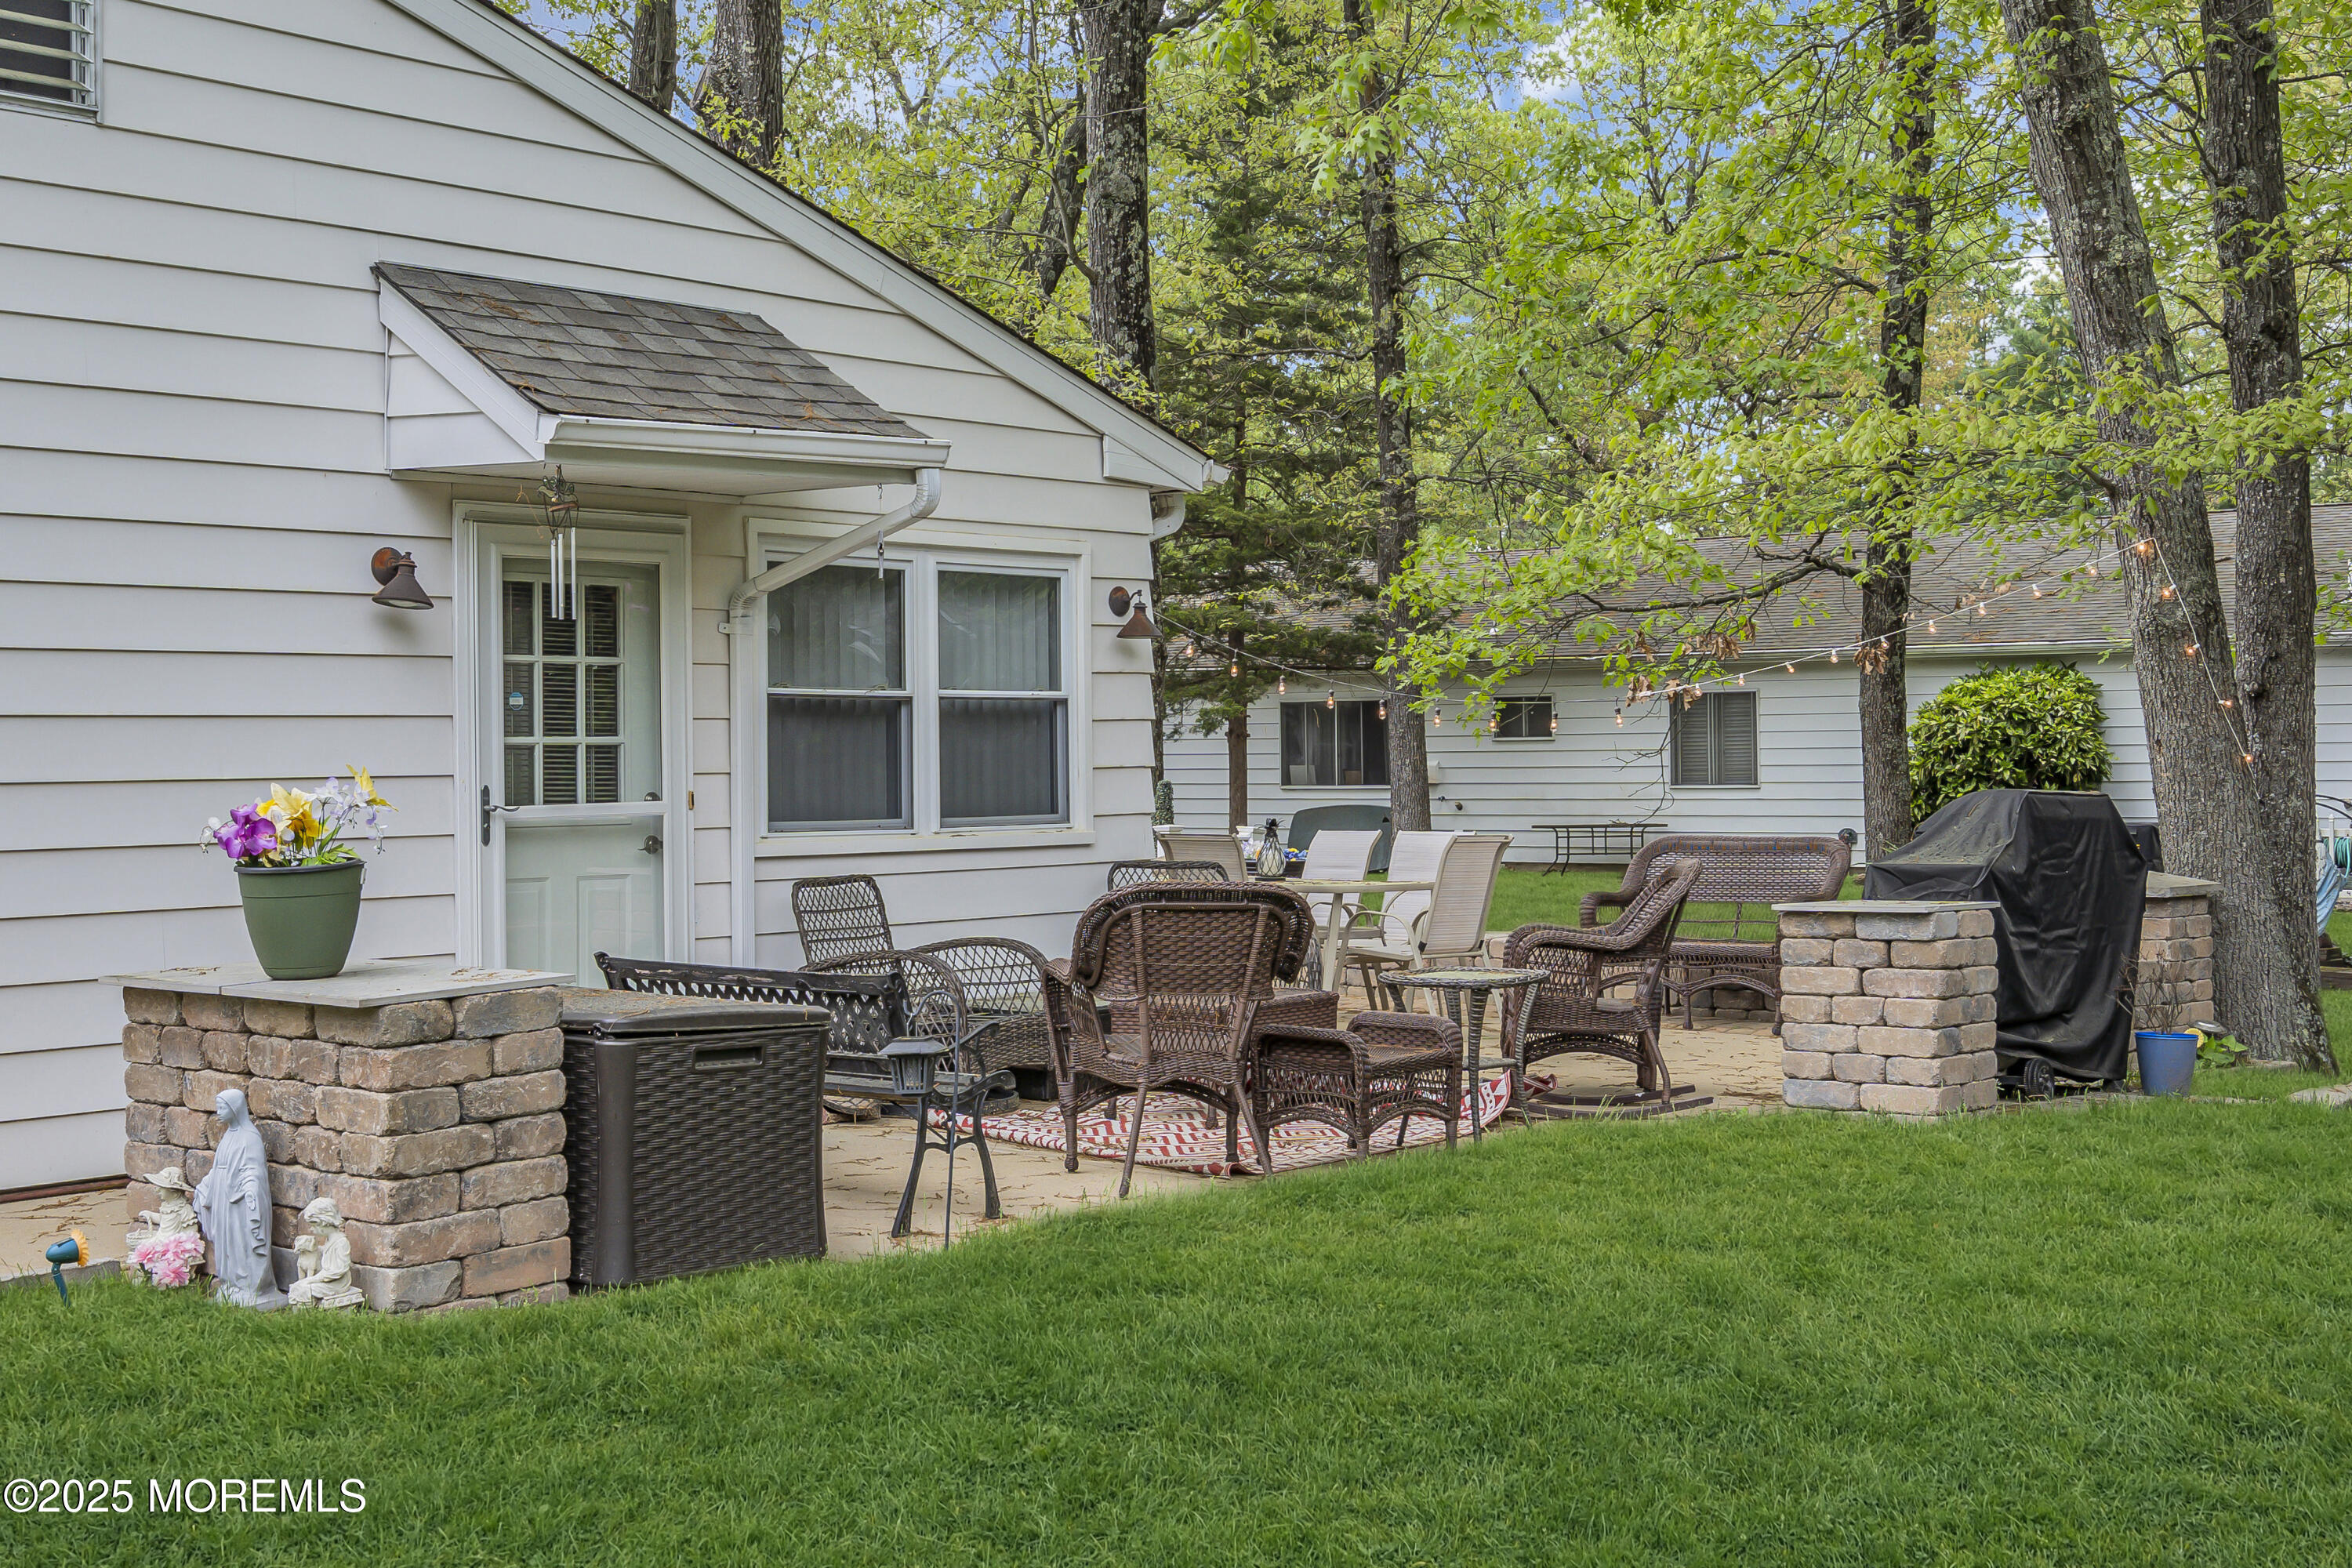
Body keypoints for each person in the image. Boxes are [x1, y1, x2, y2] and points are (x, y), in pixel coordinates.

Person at [194, 1088, 286, 1309]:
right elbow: (220, 1167)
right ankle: (232, 1283)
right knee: (228, 1243)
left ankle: (251, 1287)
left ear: (235, 1109)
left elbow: (254, 1171)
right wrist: (208, 1184)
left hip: (242, 1200)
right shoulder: (229, 1135)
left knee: (242, 1241)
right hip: (224, 1198)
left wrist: (252, 1191)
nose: (218, 1113)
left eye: (223, 1108)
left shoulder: (249, 1137)